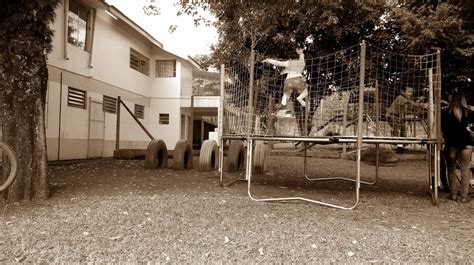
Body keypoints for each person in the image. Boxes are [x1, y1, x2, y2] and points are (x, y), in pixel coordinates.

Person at [441, 90, 474, 203]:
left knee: (451, 168)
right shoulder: (468, 112)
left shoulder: (445, 112)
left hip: (451, 143)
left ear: (451, 100)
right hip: (467, 143)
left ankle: (453, 193)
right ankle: (464, 196)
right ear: (462, 100)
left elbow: (442, 129)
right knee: (465, 169)